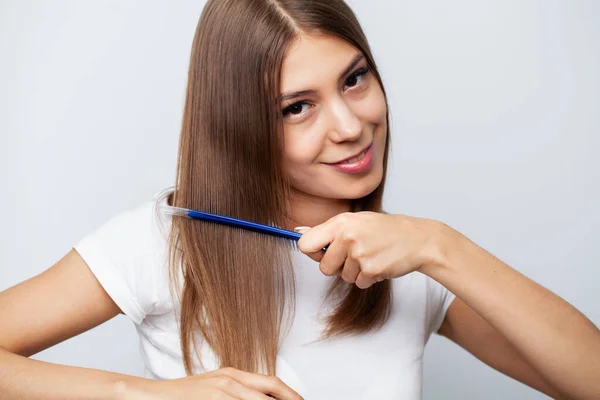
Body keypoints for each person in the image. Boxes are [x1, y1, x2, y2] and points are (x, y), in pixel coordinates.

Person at [1, 0, 598, 399]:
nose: (349, 125)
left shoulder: (413, 259)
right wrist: (150, 396)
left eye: (354, 78)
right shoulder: (166, 241)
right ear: (240, 125)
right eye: (297, 107)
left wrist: (443, 247)